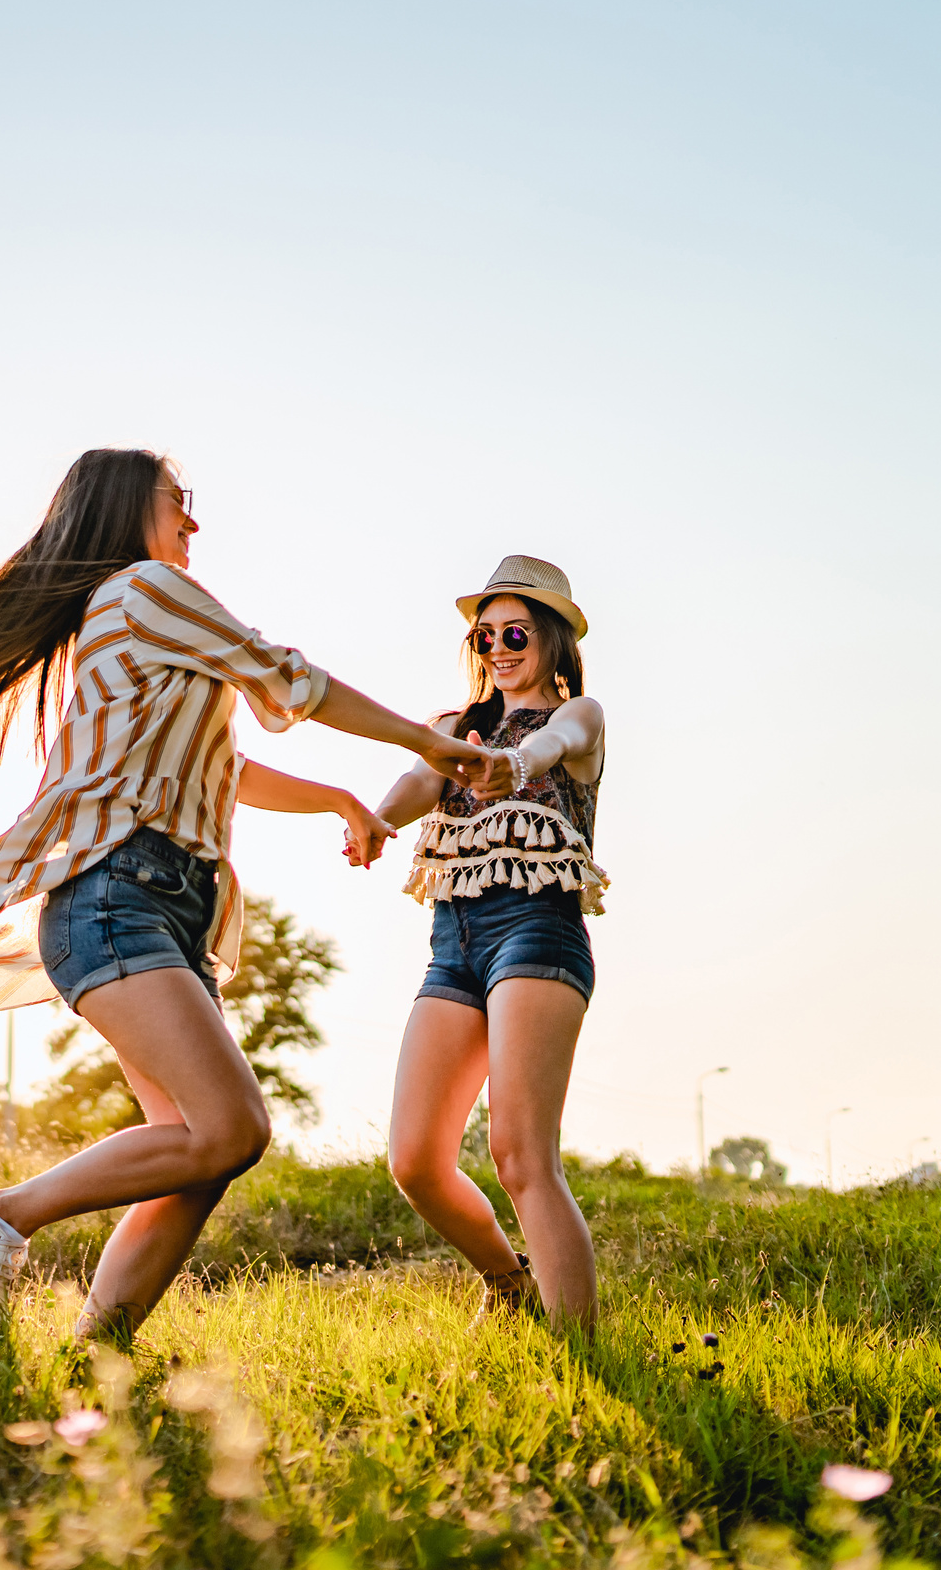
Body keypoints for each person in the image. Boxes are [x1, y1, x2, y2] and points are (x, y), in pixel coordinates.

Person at [0, 449, 509, 1341]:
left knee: (193, 1155)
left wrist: (337, 799)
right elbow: (287, 675)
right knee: (231, 1129)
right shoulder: (146, 589)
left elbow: (224, 767)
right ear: (128, 507)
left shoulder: (141, 618)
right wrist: (423, 742)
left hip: (165, 909)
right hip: (117, 897)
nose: (193, 521)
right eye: (178, 501)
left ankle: (96, 1355)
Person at [365, 555, 607, 1332]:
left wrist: (514, 761)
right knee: (415, 1161)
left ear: (553, 642)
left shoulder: (580, 717)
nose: (498, 647)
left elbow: (557, 741)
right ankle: (509, 1286)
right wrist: (373, 820)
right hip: (455, 942)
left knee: (519, 1152)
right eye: (486, 635)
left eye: (515, 632)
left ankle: (580, 1354)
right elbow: (414, 787)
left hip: (537, 928)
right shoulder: (453, 728)